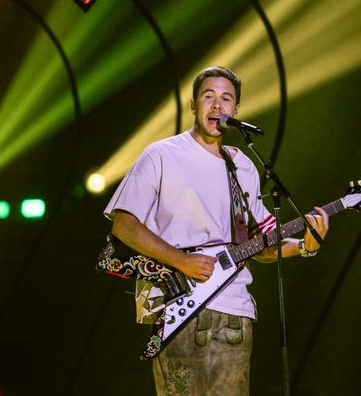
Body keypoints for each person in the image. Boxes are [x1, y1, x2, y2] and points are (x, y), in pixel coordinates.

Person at [104, 65, 329, 395]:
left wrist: (306, 245)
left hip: (235, 315)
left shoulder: (243, 165)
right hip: (178, 309)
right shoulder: (162, 155)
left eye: (227, 99)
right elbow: (124, 225)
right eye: (209, 97)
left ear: (236, 110)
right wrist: (181, 261)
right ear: (193, 104)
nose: (218, 106)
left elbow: (261, 245)